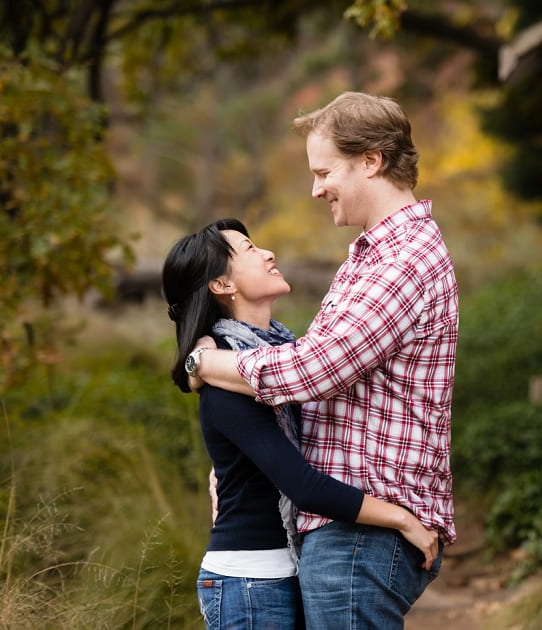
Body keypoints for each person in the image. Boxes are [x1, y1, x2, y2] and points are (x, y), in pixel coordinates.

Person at [185, 91, 459, 629]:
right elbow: (322, 385)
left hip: (361, 535)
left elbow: (314, 371)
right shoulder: (370, 256)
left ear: (371, 161)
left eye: (324, 171)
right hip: (347, 531)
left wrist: (204, 365)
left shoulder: (403, 260)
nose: (315, 189)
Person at [162, 218, 439, 629]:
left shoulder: (273, 357)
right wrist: (402, 518)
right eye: (250, 250)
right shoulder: (227, 383)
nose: (268, 253)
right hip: (250, 581)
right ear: (223, 285)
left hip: (277, 571)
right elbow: (303, 486)